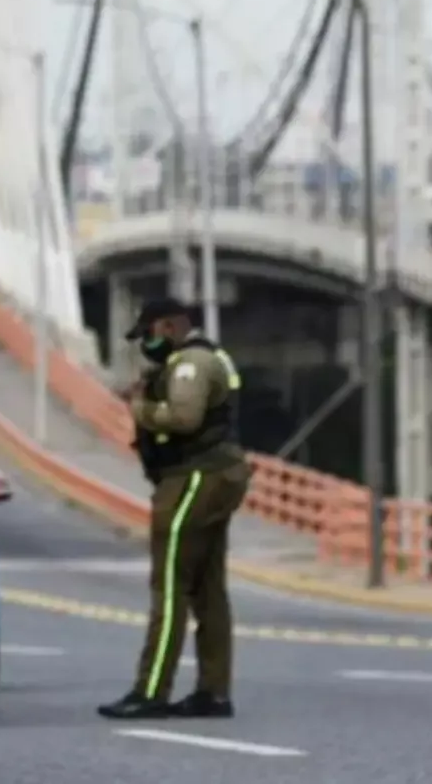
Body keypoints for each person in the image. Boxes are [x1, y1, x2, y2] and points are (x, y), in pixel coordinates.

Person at [97, 297, 251, 721]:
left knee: (170, 586)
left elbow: (184, 417)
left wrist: (141, 409)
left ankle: (151, 691)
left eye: (147, 334)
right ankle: (213, 692)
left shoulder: (191, 364)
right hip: (214, 476)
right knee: (207, 589)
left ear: (167, 327)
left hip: (194, 479)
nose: (145, 344)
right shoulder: (205, 358)